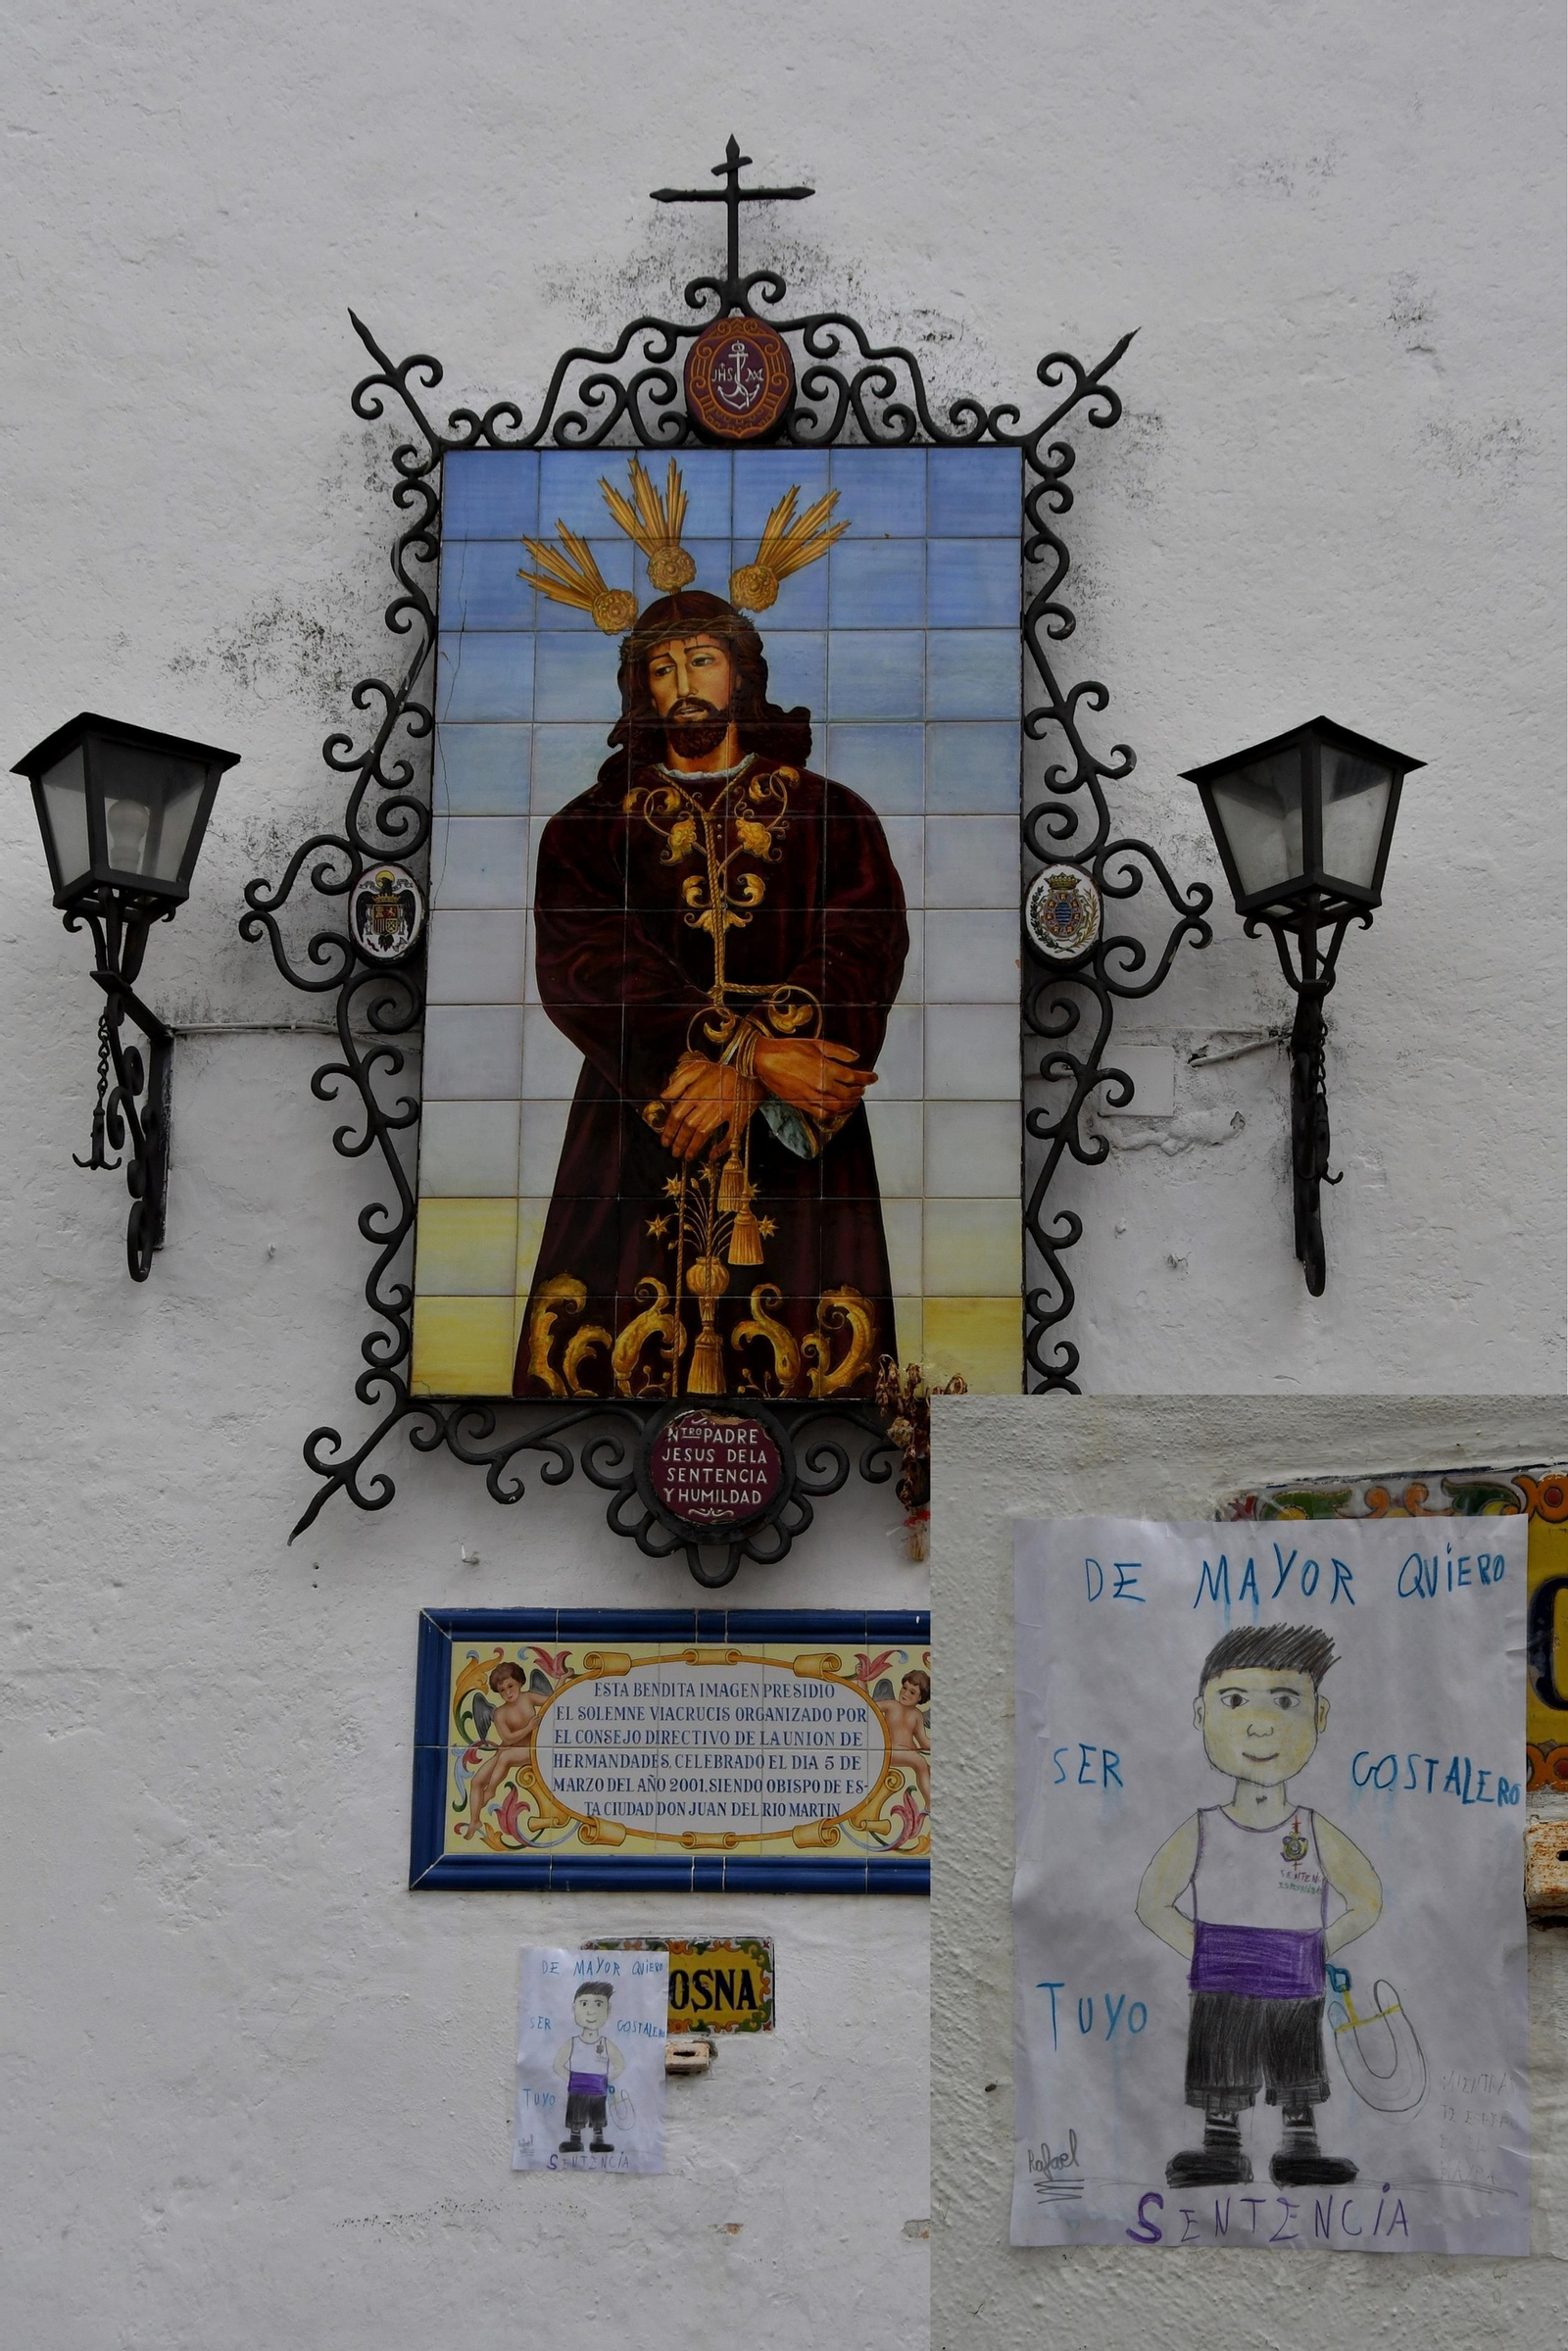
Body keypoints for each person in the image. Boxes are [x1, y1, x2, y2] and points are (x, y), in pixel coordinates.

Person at [514, 461, 908, 1403]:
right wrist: (738, 1050)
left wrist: (767, 1061)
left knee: (813, 1357)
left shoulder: (830, 814)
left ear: (742, 674)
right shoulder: (586, 826)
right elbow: (585, 961)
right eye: (660, 666)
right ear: (640, 692)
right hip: (645, 1110)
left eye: (700, 660)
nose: (681, 683)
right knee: (609, 1363)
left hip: (798, 1129)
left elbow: (862, 942)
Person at [1134, 1625, 1382, 2188]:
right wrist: (1206, 1950)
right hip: (1222, 1972)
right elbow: (1152, 1902)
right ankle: (1221, 2148)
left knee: (1297, 2062)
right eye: (1235, 1700)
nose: (1261, 1722)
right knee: (1222, 2060)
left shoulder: (1313, 1830)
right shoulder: (1202, 1829)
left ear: (1319, 1717)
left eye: (1287, 1701)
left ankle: (1300, 2147)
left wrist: (1317, 1949)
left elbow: (1367, 1899)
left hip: (1296, 1972)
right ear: (1202, 1715)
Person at [457, 1660, 548, 1839]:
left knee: (504, 1756)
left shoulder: (529, 1697)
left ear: (520, 1682)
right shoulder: (499, 1713)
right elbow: (508, 1738)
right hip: (509, 1749)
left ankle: (491, 1790)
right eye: (502, 1690)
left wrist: (561, 1681)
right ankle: (475, 1820)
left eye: (510, 1686)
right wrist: (528, 1727)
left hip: (531, 1750)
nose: (507, 1693)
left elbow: (552, 1700)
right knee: (476, 1781)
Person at [553, 1982, 623, 2154]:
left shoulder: (606, 2044)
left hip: (598, 2088)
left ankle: (598, 2140)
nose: (591, 2011)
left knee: (597, 2116)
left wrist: (604, 2079)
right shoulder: (573, 2043)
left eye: (599, 2004)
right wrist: (572, 2079)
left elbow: (620, 2065)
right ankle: (575, 2140)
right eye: (584, 2004)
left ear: (608, 2009)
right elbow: (557, 2065)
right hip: (577, 2087)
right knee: (576, 2115)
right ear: (574, 2007)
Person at [878, 1668, 931, 1809]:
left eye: (912, 1692)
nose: (905, 1693)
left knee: (928, 1768)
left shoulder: (917, 1715)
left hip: (906, 1754)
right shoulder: (892, 1705)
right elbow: (869, 1706)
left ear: (920, 1698)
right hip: (891, 1751)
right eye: (904, 1688)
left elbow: (923, 1740)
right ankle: (930, 1802)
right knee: (920, 1763)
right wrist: (863, 1682)